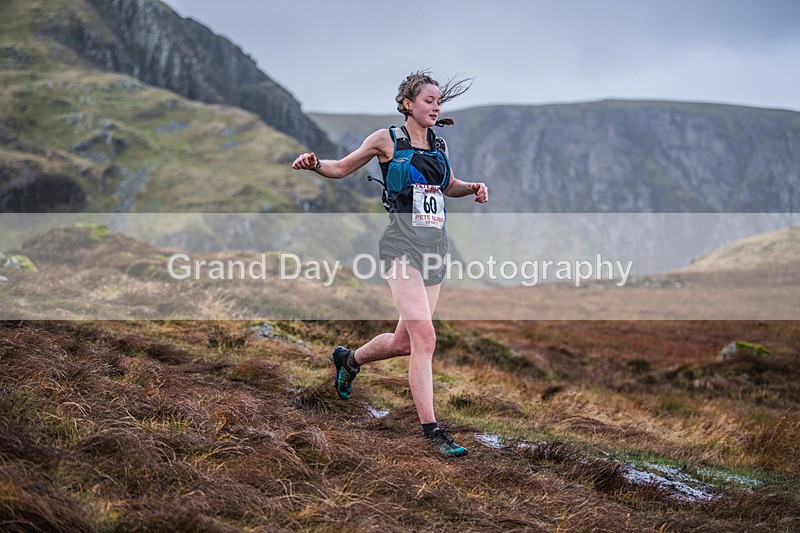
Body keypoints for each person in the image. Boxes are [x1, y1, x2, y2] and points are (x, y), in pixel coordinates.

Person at [292, 70, 488, 457]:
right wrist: (314, 164)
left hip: (435, 249)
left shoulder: (440, 145)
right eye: (429, 101)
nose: (436, 107)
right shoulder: (387, 140)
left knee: (404, 342)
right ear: (407, 104)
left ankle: (349, 360)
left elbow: (448, 185)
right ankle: (432, 433)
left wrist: (473, 188)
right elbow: (340, 168)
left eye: (439, 102)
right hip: (401, 247)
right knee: (425, 338)